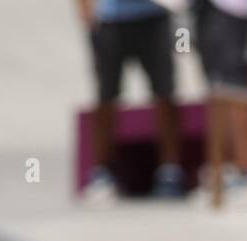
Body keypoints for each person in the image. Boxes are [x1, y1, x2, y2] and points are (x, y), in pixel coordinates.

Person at [78, 0, 187, 202]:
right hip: (110, 20)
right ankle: (102, 173)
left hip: (154, 16)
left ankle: (170, 170)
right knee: (106, 96)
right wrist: (87, 17)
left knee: (165, 93)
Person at [193, 0, 247, 207]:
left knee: (235, 88)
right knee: (218, 89)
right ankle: (227, 169)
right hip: (210, 9)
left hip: (230, 9)